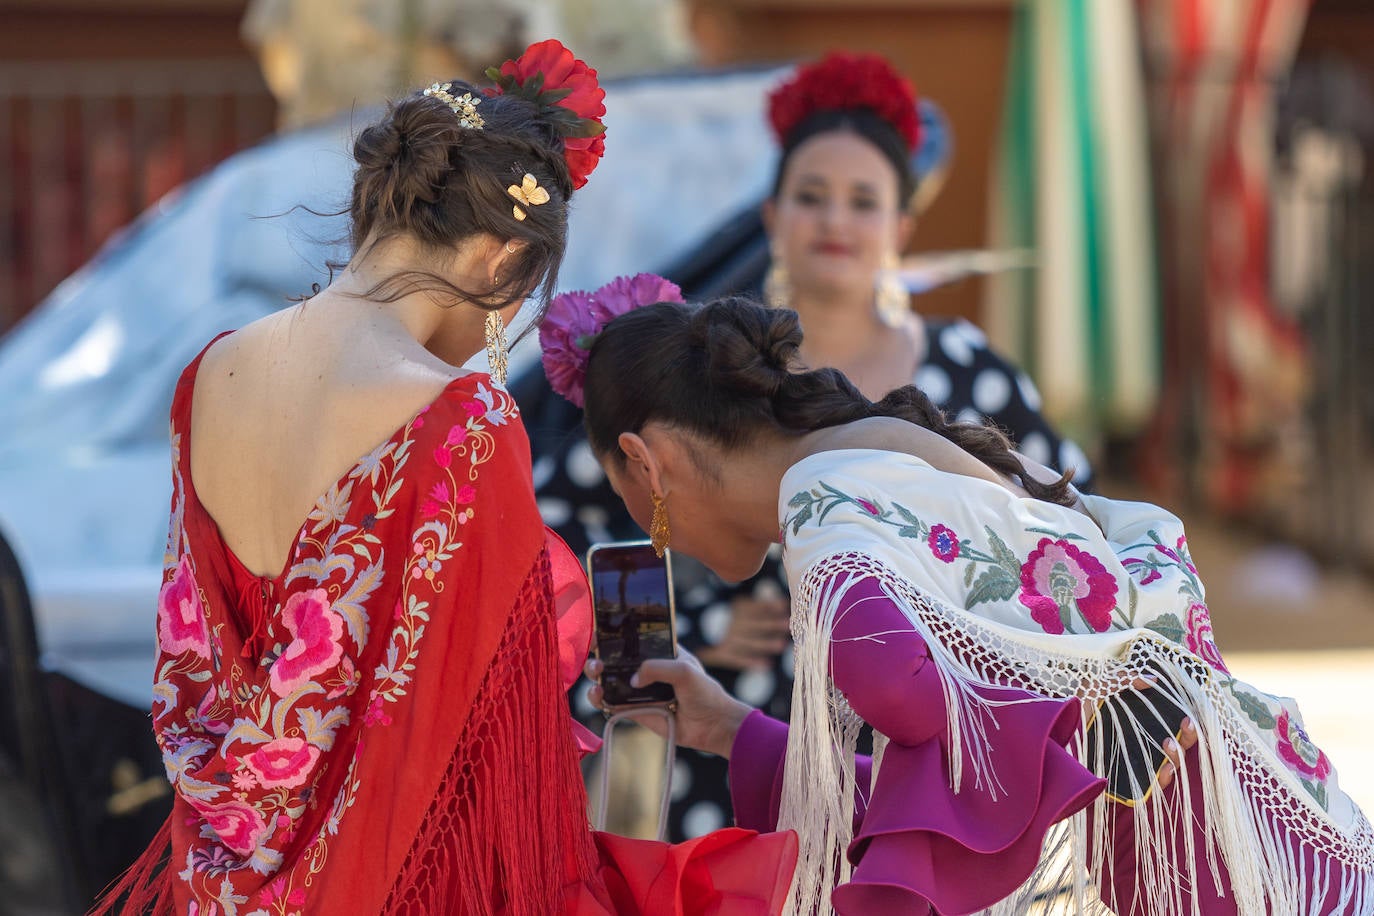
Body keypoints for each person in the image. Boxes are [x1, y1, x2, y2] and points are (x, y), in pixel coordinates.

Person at [93, 41, 798, 915]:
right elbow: (483, 744)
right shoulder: (459, 421)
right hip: (388, 881)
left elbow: (199, 651)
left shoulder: (210, 374)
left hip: (223, 880)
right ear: (503, 258)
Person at [545, 287, 1374, 915]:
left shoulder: (822, 506)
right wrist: (727, 727)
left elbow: (921, 719)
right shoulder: (875, 459)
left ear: (644, 464)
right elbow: (977, 777)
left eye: (629, 502)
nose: (658, 541)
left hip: (1236, 875)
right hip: (1285, 841)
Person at [523, 49, 1094, 841]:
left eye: (863, 201)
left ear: (902, 225)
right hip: (743, 728)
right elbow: (572, 509)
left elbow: (1065, 526)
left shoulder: (967, 368)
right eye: (812, 196)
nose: (834, 221)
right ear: (772, 214)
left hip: (928, 731)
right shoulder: (713, 370)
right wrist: (696, 614)